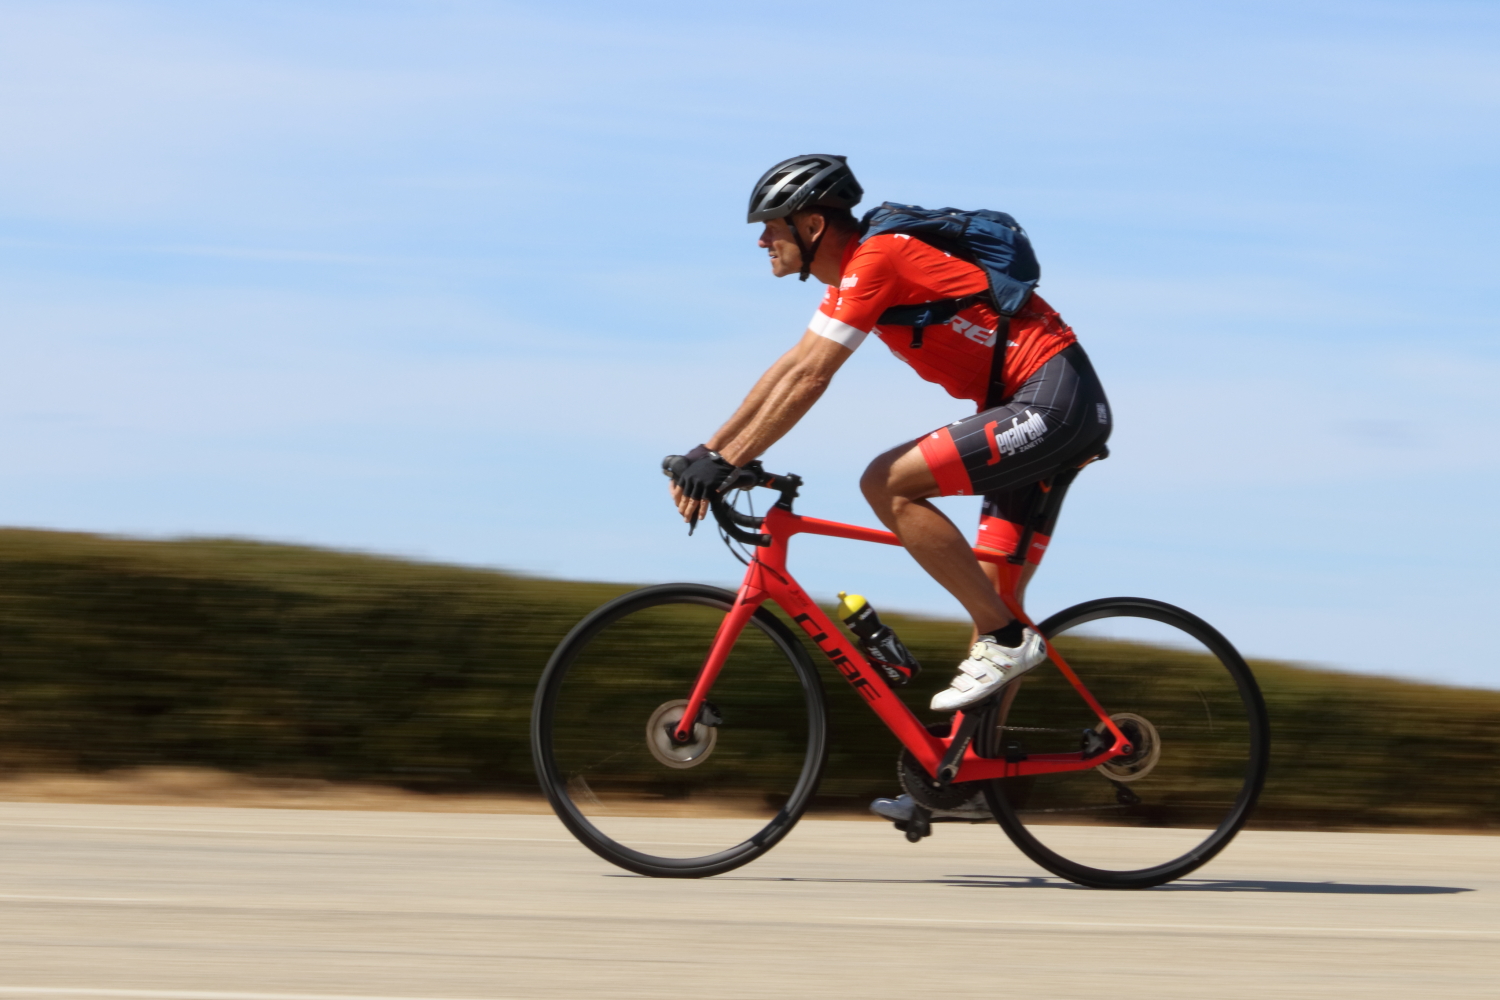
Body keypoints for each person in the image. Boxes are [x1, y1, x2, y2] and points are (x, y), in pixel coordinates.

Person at [666, 154, 1111, 820]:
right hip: (1035, 406)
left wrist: (731, 461)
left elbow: (813, 377)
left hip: (1051, 402)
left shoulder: (881, 257)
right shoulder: (855, 274)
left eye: (772, 226)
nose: (762, 240)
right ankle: (964, 777)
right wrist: (712, 451)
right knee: (992, 594)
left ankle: (1005, 641)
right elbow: (792, 365)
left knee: (889, 483)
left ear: (813, 224)